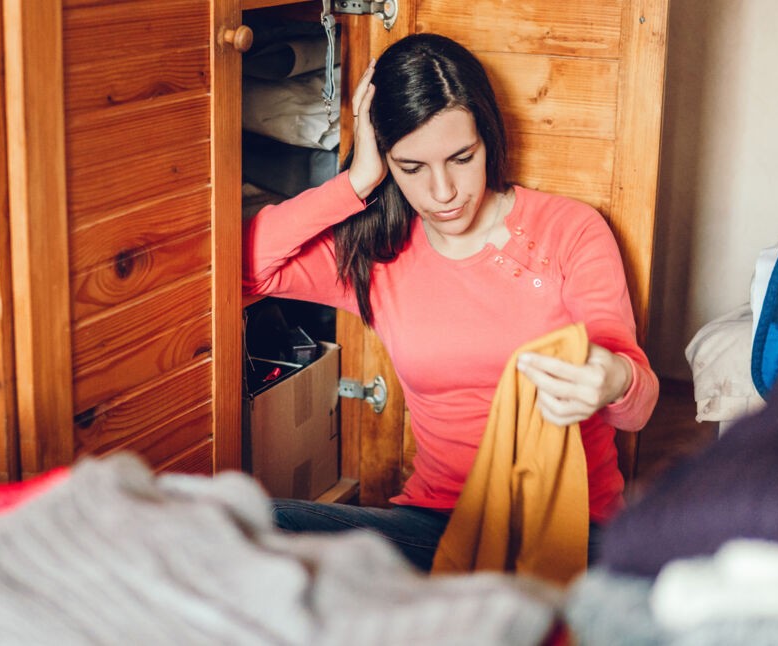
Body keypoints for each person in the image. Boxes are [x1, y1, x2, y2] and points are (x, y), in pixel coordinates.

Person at [242, 33, 659, 572]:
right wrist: (356, 181)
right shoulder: (375, 255)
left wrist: (616, 379)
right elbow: (246, 269)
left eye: (462, 158)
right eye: (411, 167)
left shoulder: (569, 230)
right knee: (253, 521)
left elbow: (640, 407)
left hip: (572, 531)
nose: (442, 192)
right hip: (437, 528)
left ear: (488, 137)